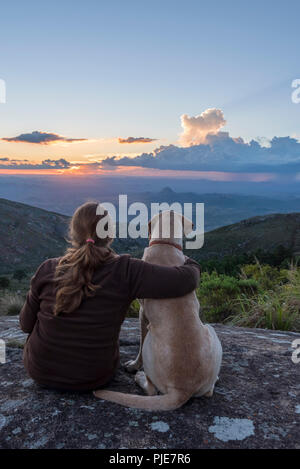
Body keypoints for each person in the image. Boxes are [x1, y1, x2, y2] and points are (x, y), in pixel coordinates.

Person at [19, 202, 201, 392]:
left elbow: (25, 325)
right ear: (110, 234)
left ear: (73, 234)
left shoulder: (47, 268)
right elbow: (186, 280)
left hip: (40, 371)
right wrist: (187, 260)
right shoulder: (126, 270)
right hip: (94, 376)